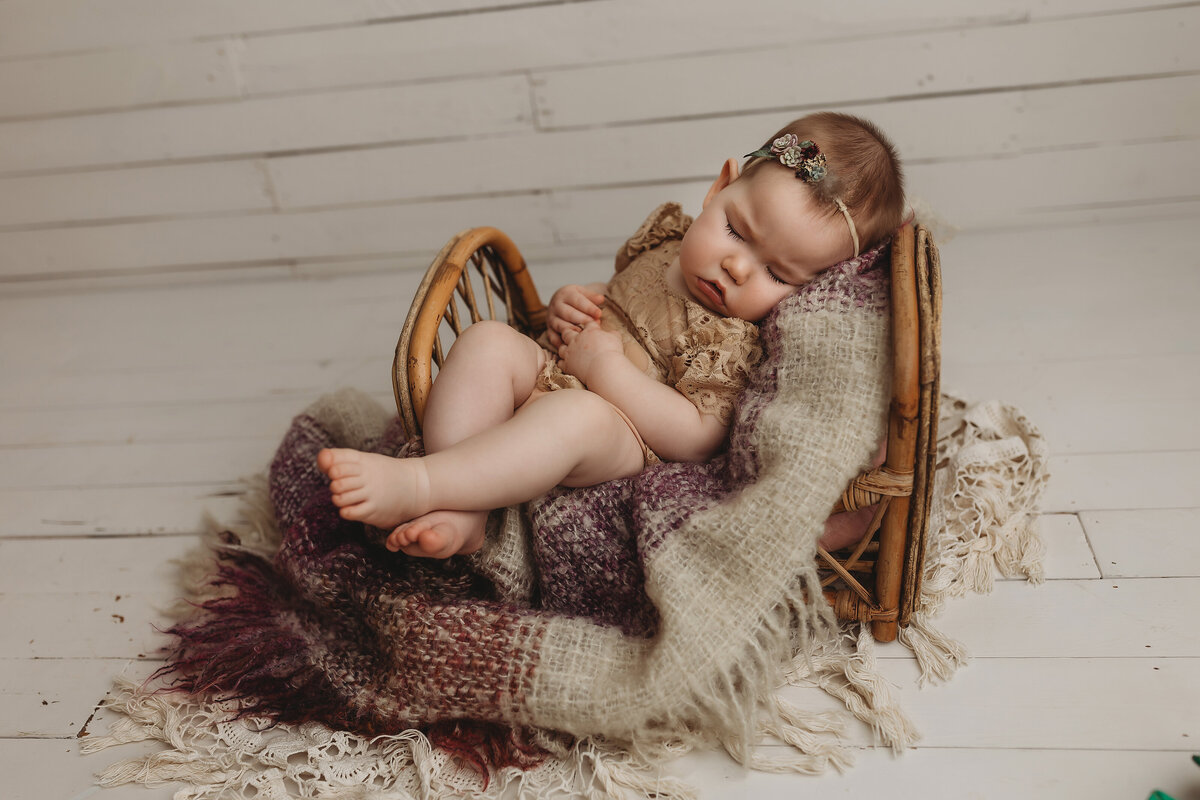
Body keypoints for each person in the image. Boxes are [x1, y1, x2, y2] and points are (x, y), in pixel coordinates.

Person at [317, 112, 905, 559]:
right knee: (488, 341)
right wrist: (570, 303)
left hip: (623, 438)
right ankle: (465, 506)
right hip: (558, 368)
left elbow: (699, 437)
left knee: (577, 416)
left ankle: (422, 482)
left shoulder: (734, 340)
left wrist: (606, 373)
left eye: (778, 274)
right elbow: (621, 294)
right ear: (718, 187)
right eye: (735, 230)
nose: (737, 267)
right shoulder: (664, 242)